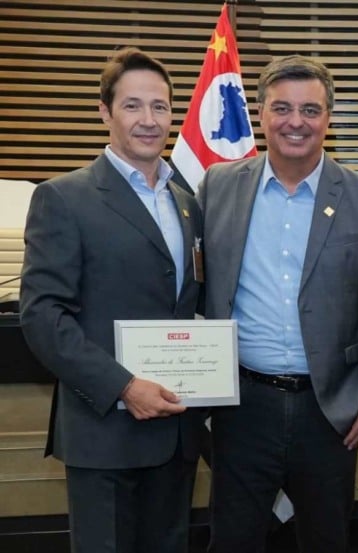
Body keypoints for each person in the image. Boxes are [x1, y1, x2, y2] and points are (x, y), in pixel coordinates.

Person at [197, 54, 358, 553]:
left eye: (310, 110)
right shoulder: (217, 186)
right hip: (241, 405)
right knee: (234, 540)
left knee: (325, 539)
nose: (296, 122)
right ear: (262, 114)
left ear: (328, 119)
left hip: (329, 409)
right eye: (282, 108)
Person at [19, 47, 204, 553]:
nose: (149, 120)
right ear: (104, 112)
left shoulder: (188, 202)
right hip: (106, 432)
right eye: (132, 106)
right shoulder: (64, 197)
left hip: (176, 432)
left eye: (161, 107)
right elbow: (42, 316)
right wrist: (124, 387)